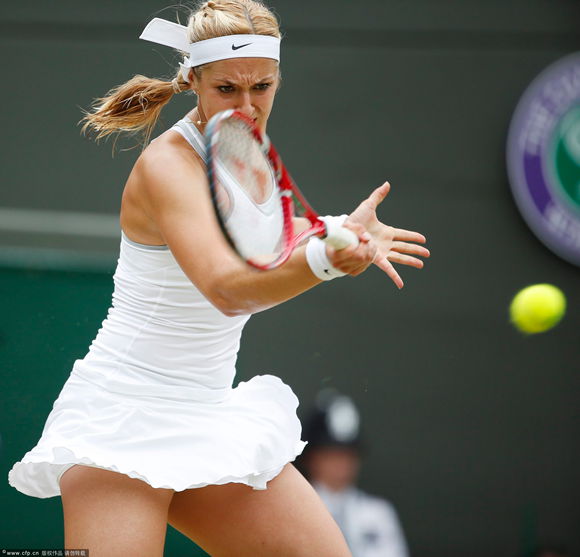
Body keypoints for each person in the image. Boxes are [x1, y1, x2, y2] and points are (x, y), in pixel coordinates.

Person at [8, 1, 429, 555]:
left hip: (206, 416)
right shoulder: (168, 165)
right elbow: (227, 287)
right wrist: (325, 261)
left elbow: (263, 232)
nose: (248, 105)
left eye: (263, 86)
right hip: (122, 417)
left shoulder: (244, 147)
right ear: (195, 81)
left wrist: (333, 228)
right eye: (228, 89)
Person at [298, 390, 410, 557]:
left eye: (348, 455)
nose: (342, 464)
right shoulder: (295, 511)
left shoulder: (378, 514)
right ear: (311, 457)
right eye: (331, 454)